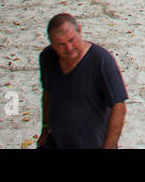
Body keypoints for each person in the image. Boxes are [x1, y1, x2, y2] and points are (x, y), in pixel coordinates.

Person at [38, 13, 127, 149]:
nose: (68, 48)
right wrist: (44, 129)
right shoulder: (47, 57)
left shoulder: (101, 61)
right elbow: (48, 93)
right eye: (61, 44)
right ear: (51, 42)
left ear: (79, 31)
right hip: (57, 142)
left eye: (71, 40)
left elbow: (119, 107)